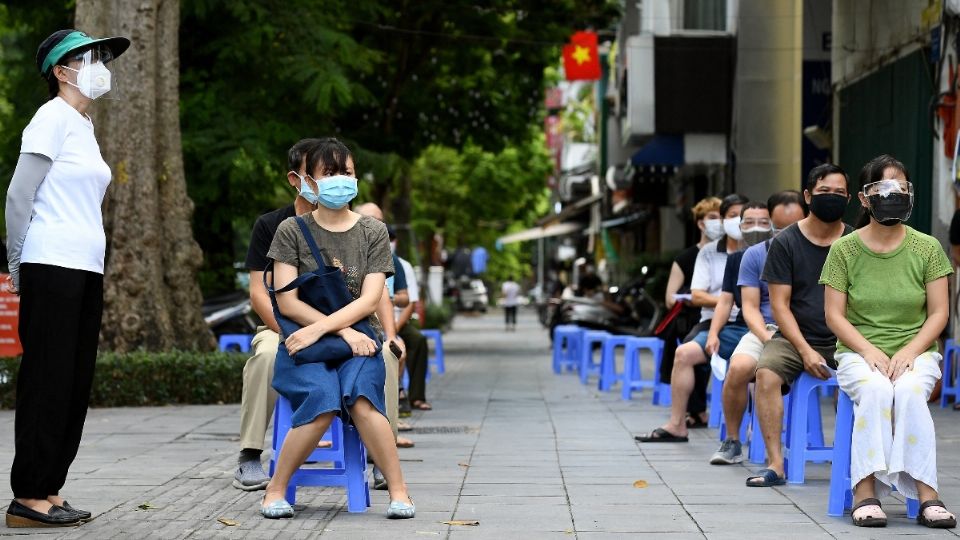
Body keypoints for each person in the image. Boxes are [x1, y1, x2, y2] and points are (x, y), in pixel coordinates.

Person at [4, 29, 129, 528]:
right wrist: (16, 265)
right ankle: (27, 496)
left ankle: (50, 487)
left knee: (75, 382)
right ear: (61, 71)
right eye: (89, 57)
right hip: (49, 264)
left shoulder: (83, 124)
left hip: (83, 267)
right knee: (47, 379)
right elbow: (19, 196)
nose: (100, 64)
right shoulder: (50, 117)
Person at [262, 138, 413, 519]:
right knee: (322, 398)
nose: (340, 180)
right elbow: (287, 301)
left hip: (359, 340)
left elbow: (369, 298)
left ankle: (399, 491)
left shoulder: (373, 232)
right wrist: (339, 332)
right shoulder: (290, 231)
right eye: (329, 173)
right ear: (308, 182)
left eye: (346, 172)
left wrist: (336, 331)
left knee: (362, 397)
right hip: (306, 343)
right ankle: (274, 490)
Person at [822, 155, 956, 528]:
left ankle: (928, 494)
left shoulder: (928, 247)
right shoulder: (844, 250)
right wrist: (869, 352)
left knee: (911, 391)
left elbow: (939, 313)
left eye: (900, 187)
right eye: (882, 188)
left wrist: (911, 352)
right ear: (864, 199)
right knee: (877, 391)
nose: (892, 195)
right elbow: (834, 316)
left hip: (917, 352)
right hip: (858, 353)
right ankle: (865, 492)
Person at [746, 164, 853, 487]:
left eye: (838, 193)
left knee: (867, 380)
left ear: (849, 199)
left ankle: (859, 464)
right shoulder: (786, 243)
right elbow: (779, 306)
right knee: (766, 373)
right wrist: (805, 351)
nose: (831, 199)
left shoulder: (855, 241)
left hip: (848, 337)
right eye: (824, 192)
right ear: (808, 196)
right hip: (796, 337)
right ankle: (776, 463)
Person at [636, 193, 747, 442]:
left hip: (752, 325)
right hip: (712, 322)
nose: (736, 221)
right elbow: (695, 295)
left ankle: (754, 428)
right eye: (729, 216)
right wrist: (726, 304)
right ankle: (678, 423)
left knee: (755, 364)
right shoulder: (706, 253)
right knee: (684, 352)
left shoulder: (760, 250)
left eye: (742, 217)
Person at [709, 191, 805, 465]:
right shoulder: (754, 255)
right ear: (771, 222)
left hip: (810, 331)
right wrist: (766, 336)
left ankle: (848, 450)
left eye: (794, 225)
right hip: (767, 329)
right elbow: (749, 307)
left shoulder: (822, 250)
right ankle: (733, 440)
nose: (787, 232)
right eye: (780, 226)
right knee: (738, 369)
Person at [658, 197, 722, 424]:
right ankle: (693, 410)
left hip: (724, 318)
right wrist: (696, 299)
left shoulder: (733, 253)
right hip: (692, 317)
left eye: (722, 218)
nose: (720, 223)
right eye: (713, 218)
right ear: (700, 223)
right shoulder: (686, 258)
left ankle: (697, 411)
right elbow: (669, 298)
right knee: (689, 345)